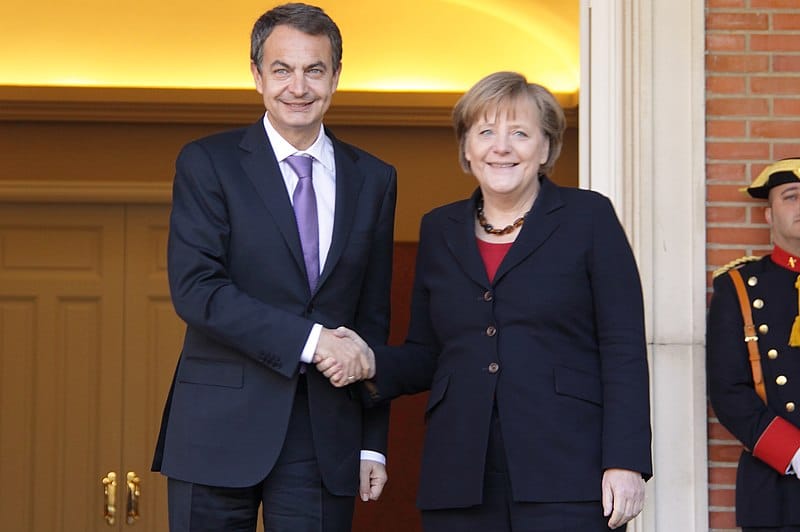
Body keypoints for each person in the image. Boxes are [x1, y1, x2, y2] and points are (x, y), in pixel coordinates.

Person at [320, 71, 652, 531]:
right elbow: (427, 352)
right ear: (467, 148)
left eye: (520, 132)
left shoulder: (588, 217)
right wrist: (368, 361)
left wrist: (626, 461)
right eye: (486, 132)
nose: (502, 147)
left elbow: (623, 347)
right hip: (459, 474)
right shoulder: (439, 229)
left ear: (546, 147)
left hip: (567, 471)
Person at [151, 3, 397, 531]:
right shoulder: (207, 163)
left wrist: (372, 443)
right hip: (217, 431)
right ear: (257, 75)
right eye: (282, 69)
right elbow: (198, 291)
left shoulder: (374, 179)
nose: (298, 87)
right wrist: (312, 340)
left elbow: (371, 320)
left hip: (326, 434)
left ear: (336, 76)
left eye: (315, 69)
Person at [707, 158, 800, 531]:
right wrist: (792, 451)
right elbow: (728, 389)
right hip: (775, 490)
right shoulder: (740, 286)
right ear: (767, 215)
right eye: (791, 197)